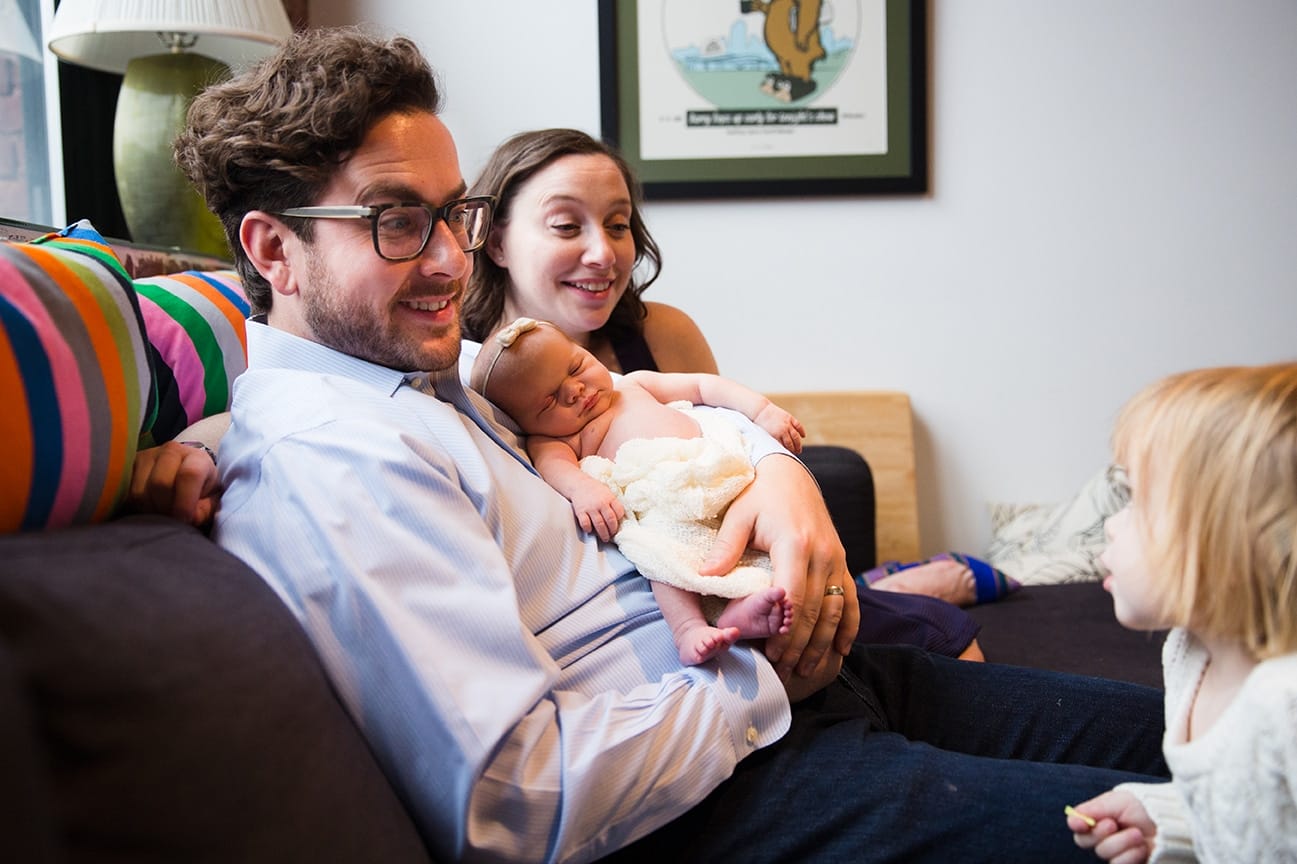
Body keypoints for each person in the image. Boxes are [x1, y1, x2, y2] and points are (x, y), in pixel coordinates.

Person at [173, 26, 1171, 863]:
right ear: (272, 250)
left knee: (1211, 739)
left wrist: (783, 478)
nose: (446, 258)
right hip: (716, 785)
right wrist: (765, 680)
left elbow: (647, 402)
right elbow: (521, 801)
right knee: (1203, 831)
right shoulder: (340, 457)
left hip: (800, 685)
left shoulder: (438, 367)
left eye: (453, 215)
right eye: (396, 222)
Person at [1065, 363, 1297, 863]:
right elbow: (1252, 820)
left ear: (1229, 546)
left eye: (1135, 502)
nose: (1110, 526)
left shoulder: (1284, 705)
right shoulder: (1189, 653)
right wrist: (1165, 819)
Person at [472, 315, 802, 665]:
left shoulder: (633, 385)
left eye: (576, 366)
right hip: (664, 505)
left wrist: (761, 410)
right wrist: (583, 488)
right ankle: (690, 627)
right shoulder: (558, 439)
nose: (574, 390)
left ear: (583, 349)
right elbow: (555, 468)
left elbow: (704, 387)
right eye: (550, 400)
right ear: (525, 422)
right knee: (657, 554)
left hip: (718, 474)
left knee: (761, 541)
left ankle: (753, 601)